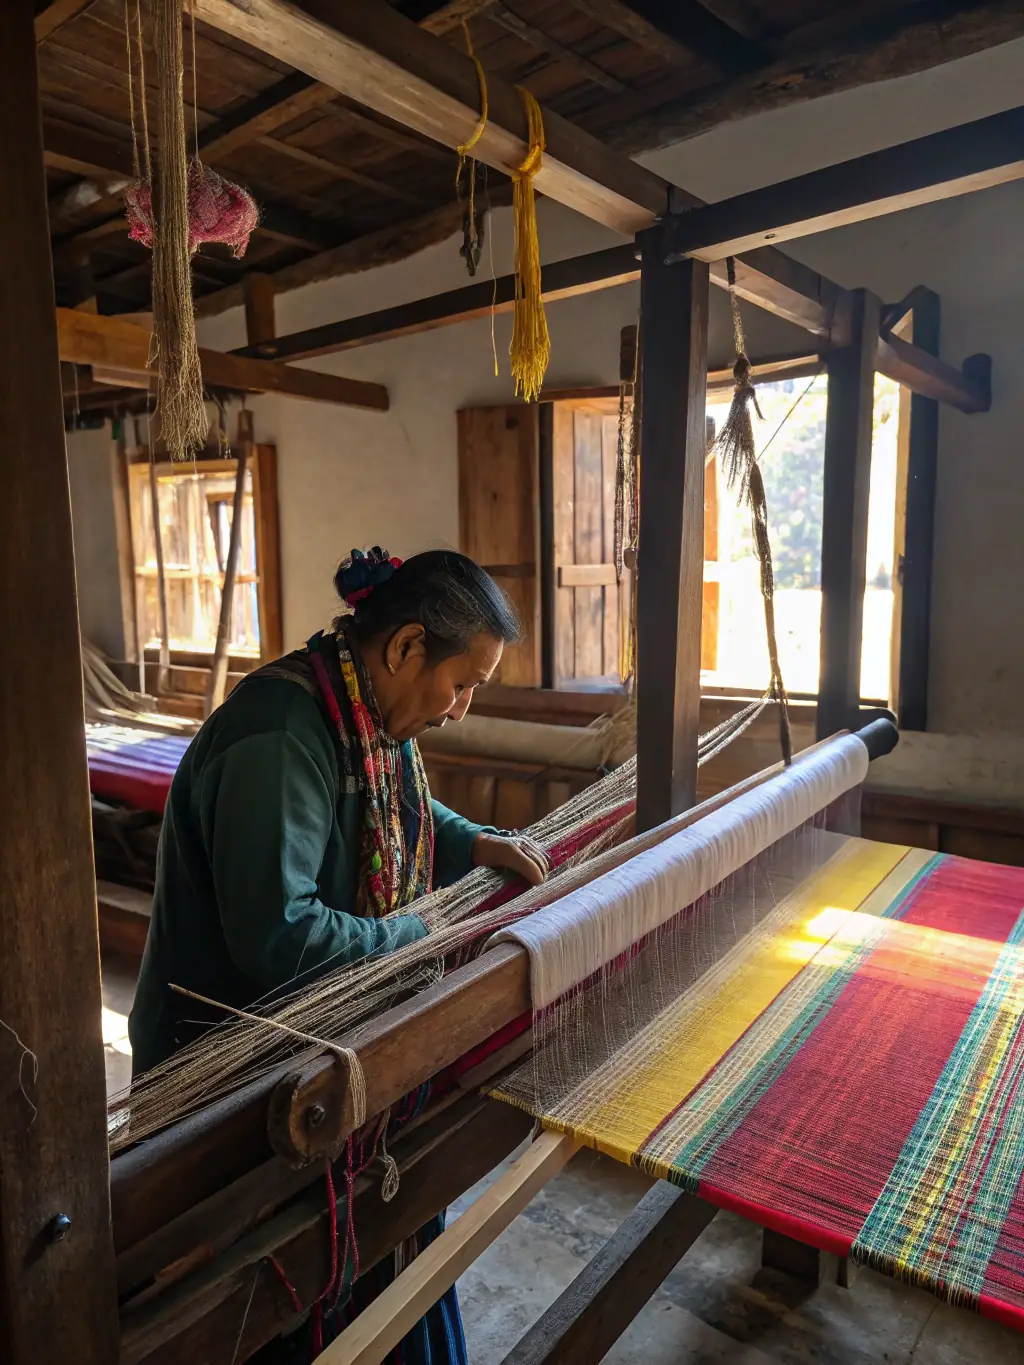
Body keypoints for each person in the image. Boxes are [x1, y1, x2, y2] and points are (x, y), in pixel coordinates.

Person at [128, 547, 549, 1363]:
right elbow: (280, 938)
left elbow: (406, 805)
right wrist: (415, 936)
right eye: (461, 682)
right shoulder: (280, 737)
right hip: (223, 1070)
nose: (461, 707)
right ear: (404, 648)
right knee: (262, 1297)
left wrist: (477, 844)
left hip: (311, 1049)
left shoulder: (363, 713)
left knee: (378, 1243)